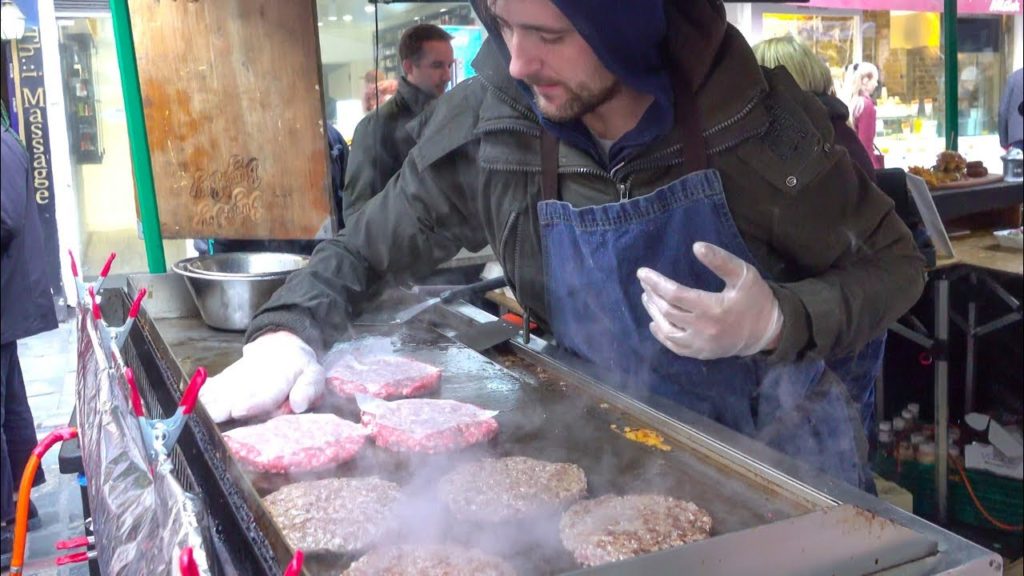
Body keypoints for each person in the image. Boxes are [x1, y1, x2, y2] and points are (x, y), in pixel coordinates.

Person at [201, 0, 926, 491]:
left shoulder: (755, 129)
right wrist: (288, 333)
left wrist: (778, 320)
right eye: (507, 25)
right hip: (606, 454)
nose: (518, 61)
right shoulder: (496, 125)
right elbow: (365, 248)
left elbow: (897, 265)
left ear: (626, 25)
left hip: (779, 469)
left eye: (549, 35)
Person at [752, 35, 885, 447]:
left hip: (822, 319)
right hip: (863, 313)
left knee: (813, 454)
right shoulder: (842, 135)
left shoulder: (794, 144)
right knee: (848, 441)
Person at [2, 116, 58, 565]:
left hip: (5, 295)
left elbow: (4, 218)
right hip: (7, 297)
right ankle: (21, 503)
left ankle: (6, 520)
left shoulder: (1, 143)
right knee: (11, 402)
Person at [200, 97, 349, 255]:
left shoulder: (328, 142)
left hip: (316, 260)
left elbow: (346, 219)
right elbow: (225, 235)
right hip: (249, 261)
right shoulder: (233, 146)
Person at [344, 24, 455, 222]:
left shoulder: (449, 117)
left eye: (449, 66)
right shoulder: (376, 128)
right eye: (437, 66)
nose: (447, 75)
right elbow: (358, 217)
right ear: (409, 67)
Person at [844, 62, 881, 168]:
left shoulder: (851, 102)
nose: (876, 84)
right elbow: (865, 145)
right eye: (875, 80)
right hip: (864, 167)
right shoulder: (866, 105)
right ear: (866, 80)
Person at [998, 67, 1023, 150]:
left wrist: (1004, 141)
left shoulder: (1014, 77)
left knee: (1018, 162)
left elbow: (1003, 111)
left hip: (1018, 139)